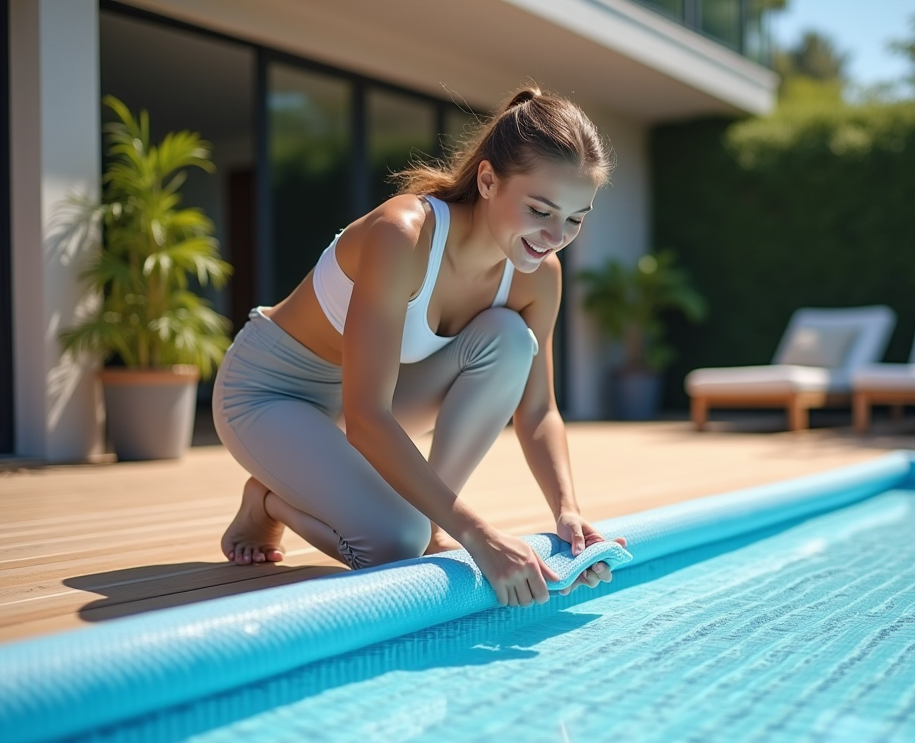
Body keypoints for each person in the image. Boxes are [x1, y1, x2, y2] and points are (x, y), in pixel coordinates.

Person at [212, 85, 626, 608]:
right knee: (395, 542)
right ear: (488, 180)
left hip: (367, 397)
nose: (553, 234)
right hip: (272, 394)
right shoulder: (403, 235)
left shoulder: (539, 277)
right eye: (540, 209)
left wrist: (567, 509)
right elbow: (366, 417)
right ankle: (268, 500)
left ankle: (427, 520)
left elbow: (539, 409)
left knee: (509, 342)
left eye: (574, 218)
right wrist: (478, 533)